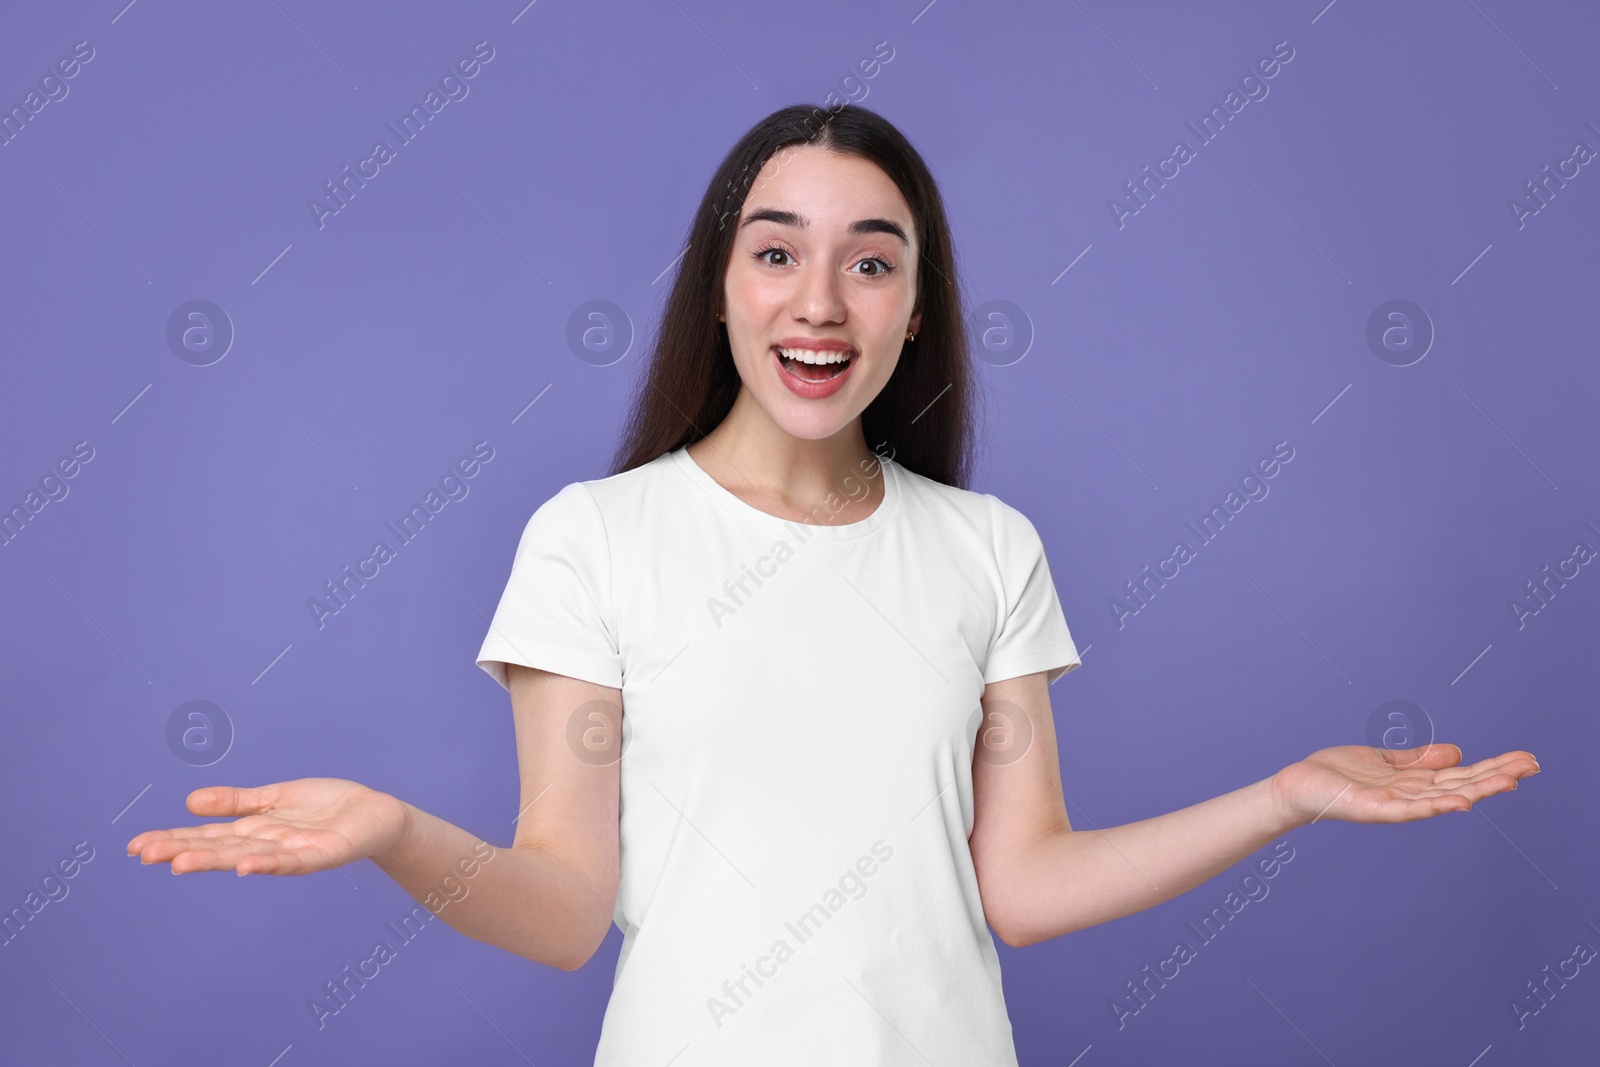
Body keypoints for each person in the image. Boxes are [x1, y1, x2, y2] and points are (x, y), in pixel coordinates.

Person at [125, 104, 1539, 1064]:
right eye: (778, 253)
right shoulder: (595, 538)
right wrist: (390, 832)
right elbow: (564, 910)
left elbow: (1026, 886)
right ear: (722, 286)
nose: (820, 301)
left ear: (914, 307)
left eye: (872, 262)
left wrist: (1285, 797)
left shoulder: (987, 550)